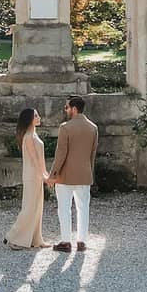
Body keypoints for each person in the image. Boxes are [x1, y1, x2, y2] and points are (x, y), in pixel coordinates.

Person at [46, 96, 98, 252]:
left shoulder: (65, 127)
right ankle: (81, 241)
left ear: (74, 109)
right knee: (83, 208)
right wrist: (90, 172)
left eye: (67, 107)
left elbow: (61, 154)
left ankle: (66, 241)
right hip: (84, 174)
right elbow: (92, 154)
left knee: (64, 208)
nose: (66, 110)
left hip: (65, 175)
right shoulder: (93, 128)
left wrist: (52, 174)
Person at [3, 107, 51, 250]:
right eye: (36, 116)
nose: (39, 117)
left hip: (37, 175)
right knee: (29, 208)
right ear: (29, 119)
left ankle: (37, 239)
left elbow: (40, 160)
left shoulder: (33, 134)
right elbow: (34, 159)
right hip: (32, 176)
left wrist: (45, 174)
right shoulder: (28, 136)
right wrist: (43, 175)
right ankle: (13, 237)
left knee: (37, 208)